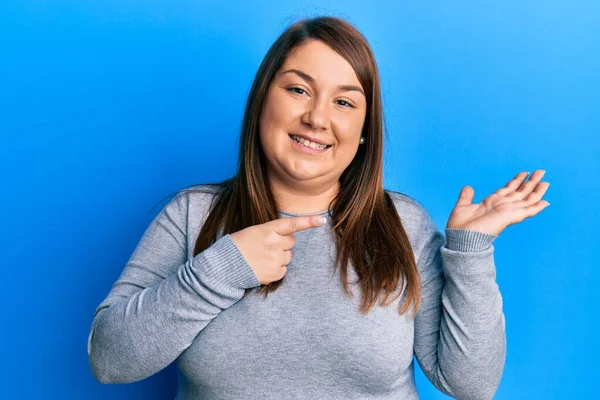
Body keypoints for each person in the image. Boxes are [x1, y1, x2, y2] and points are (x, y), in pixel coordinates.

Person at [87, 15, 550, 399]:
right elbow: (108, 361)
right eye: (298, 90)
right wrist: (220, 270)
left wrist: (470, 251)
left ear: (364, 129)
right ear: (262, 100)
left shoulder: (403, 226)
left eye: (344, 102)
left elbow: (470, 384)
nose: (317, 118)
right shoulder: (193, 215)